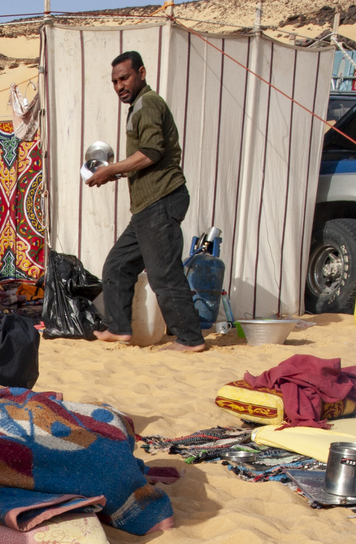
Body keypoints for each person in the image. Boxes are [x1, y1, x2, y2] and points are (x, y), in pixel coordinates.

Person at [86, 50, 206, 353]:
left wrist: (111, 169)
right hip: (145, 206)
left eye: (124, 78)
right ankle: (119, 328)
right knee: (117, 266)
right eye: (114, 81)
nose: (119, 85)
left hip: (161, 200)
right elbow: (144, 160)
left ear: (141, 72)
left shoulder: (149, 104)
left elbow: (151, 153)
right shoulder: (138, 106)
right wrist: (112, 174)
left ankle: (190, 338)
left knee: (163, 273)